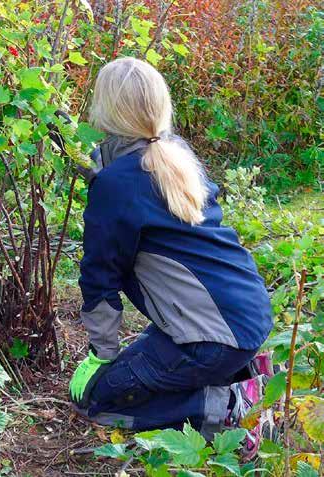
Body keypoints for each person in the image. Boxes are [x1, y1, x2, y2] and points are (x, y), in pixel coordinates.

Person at [68, 57, 276, 459]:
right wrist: (100, 175)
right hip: (245, 315)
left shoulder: (117, 185)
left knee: (99, 402)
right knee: (140, 374)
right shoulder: (175, 154)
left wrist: (101, 353)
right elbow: (138, 194)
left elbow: (99, 279)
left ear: (106, 108)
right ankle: (245, 374)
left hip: (211, 338)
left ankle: (229, 408)